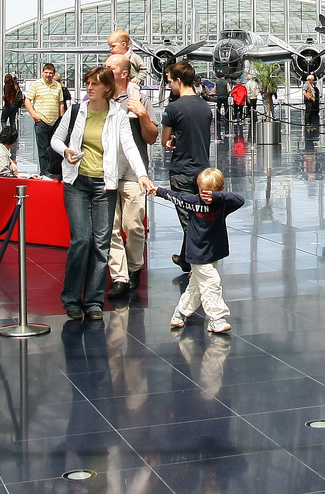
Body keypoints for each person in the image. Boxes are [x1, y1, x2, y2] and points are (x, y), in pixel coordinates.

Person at [52, 66, 154, 320]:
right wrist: (65, 151)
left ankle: (94, 300)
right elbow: (56, 139)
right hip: (77, 183)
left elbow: (129, 146)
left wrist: (141, 174)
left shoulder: (117, 114)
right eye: (88, 83)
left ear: (107, 88)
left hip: (103, 185)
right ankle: (72, 299)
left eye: (95, 84)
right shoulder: (77, 111)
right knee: (81, 240)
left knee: (101, 243)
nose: (89, 87)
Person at [154, 167, 244, 334]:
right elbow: (175, 196)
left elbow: (239, 200)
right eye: (202, 191)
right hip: (196, 253)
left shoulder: (222, 204)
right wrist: (158, 190)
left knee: (195, 286)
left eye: (210, 192)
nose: (205, 195)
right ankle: (216, 319)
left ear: (218, 192)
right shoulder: (193, 201)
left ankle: (179, 313)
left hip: (212, 252)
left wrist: (217, 197)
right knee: (212, 281)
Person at [105, 53, 159, 301]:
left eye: (110, 67)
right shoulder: (100, 99)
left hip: (133, 175)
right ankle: (120, 276)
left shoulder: (140, 99)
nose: (104, 70)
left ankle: (135, 266)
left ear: (124, 73)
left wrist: (143, 115)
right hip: (106, 173)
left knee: (133, 225)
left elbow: (151, 138)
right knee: (112, 228)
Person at [158, 60, 212, 273]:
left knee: (187, 219)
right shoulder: (205, 106)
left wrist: (171, 141)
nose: (170, 85)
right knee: (196, 213)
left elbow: (164, 140)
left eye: (170, 81)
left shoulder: (173, 108)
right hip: (203, 169)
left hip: (181, 170)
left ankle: (201, 263)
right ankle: (184, 258)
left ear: (179, 81)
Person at [26, 63, 66, 179]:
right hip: (41, 121)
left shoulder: (57, 86)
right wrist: (34, 115)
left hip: (55, 122)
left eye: (50, 73)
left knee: (54, 147)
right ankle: (44, 172)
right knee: (43, 148)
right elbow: (28, 101)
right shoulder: (36, 85)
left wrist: (61, 118)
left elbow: (60, 103)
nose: (48, 75)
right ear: (43, 73)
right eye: (46, 72)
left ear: (54, 74)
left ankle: (53, 169)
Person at [1, 73, 22, 139]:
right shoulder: (14, 86)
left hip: (8, 104)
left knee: (3, 120)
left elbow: (7, 96)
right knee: (12, 120)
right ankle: (14, 134)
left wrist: (4, 98)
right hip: (14, 104)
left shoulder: (7, 86)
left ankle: (5, 134)